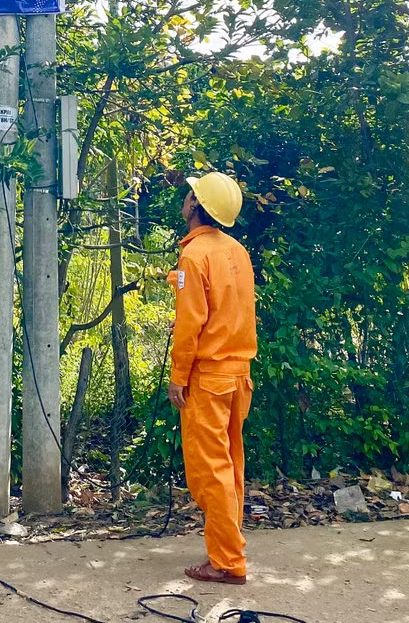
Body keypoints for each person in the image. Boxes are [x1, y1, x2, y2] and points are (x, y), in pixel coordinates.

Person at [167, 171, 257, 586]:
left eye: (189, 195)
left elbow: (190, 325)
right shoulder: (236, 250)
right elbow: (228, 305)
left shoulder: (193, 256)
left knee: (210, 473)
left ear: (193, 207)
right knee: (231, 465)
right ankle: (227, 547)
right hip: (239, 376)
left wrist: (178, 377)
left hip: (207, 378)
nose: (185, 200)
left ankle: (226, 562)